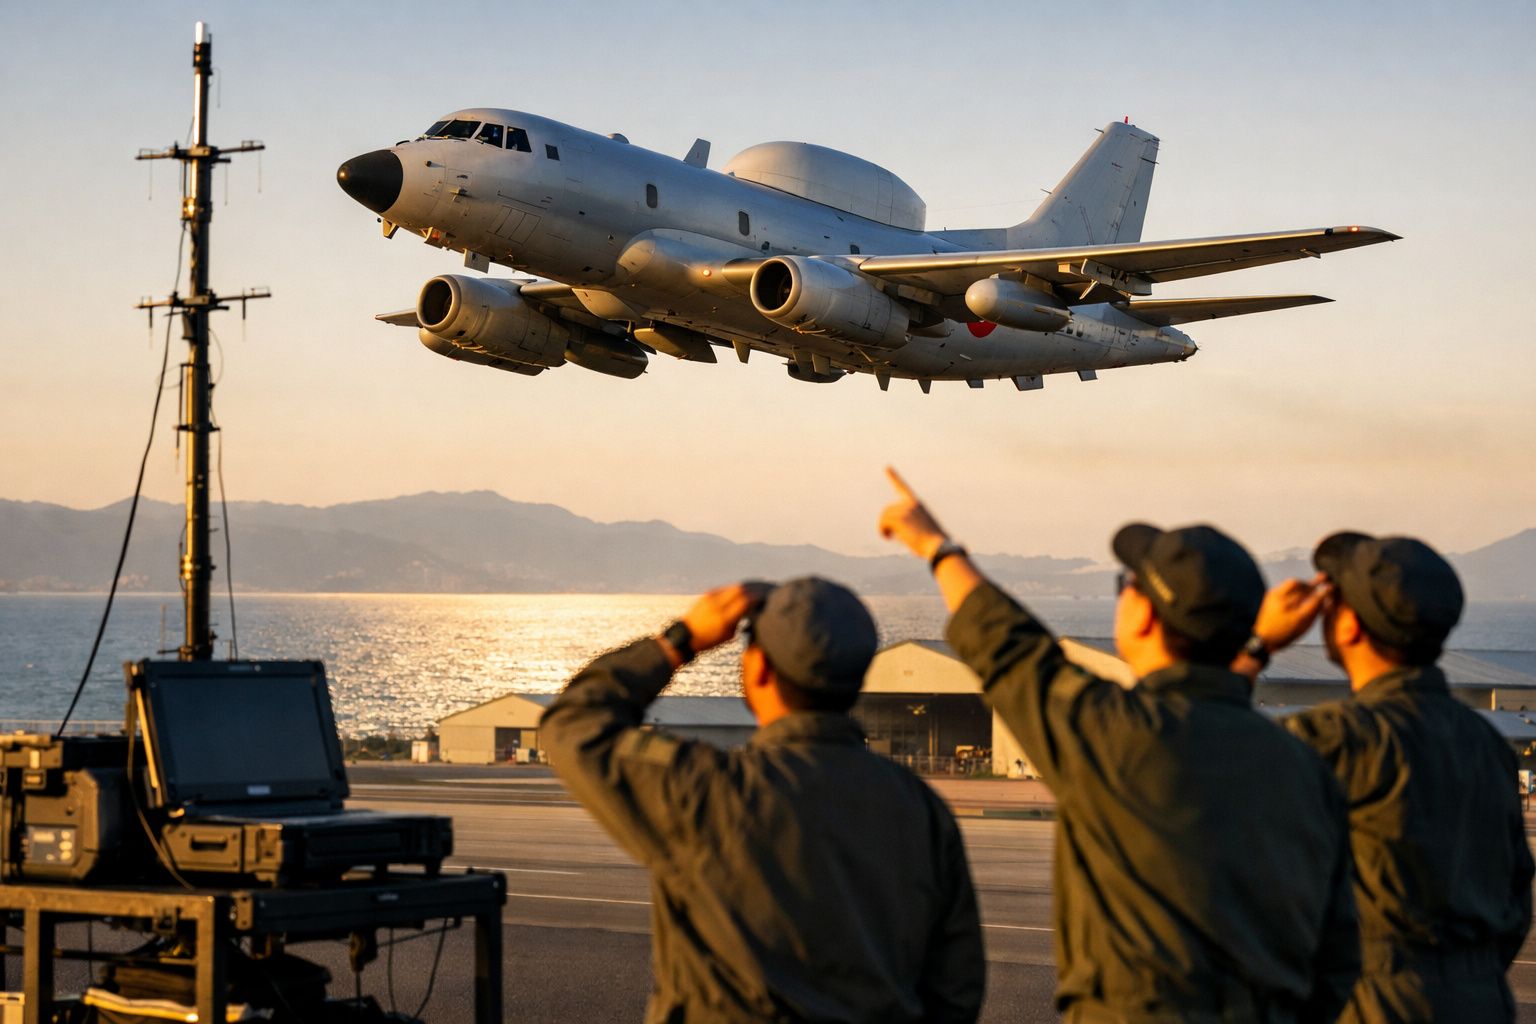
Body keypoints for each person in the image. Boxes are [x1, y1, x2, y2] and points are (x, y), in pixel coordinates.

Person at [878, 468, 1359, 1022]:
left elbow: (1007, 647)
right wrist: (1252, 649)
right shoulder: (1301, 763)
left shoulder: (1115, 735)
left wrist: (938, 548)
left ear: (1147, 615)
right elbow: (1339, 955)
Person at [540, 577, 985, 1024]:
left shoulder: (706, 793)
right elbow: (956, 989)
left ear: (761, 670)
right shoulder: (921, 810)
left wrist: (681, 640)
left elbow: (575, 724)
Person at [1236, 531, 1534, 1022]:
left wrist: (1258, 644)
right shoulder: (1487, 746)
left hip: (1367, 1001)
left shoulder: (1327, 739)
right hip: (1481, 1000)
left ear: (1350, 625)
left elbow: (1187, 755)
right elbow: (1515, 899)